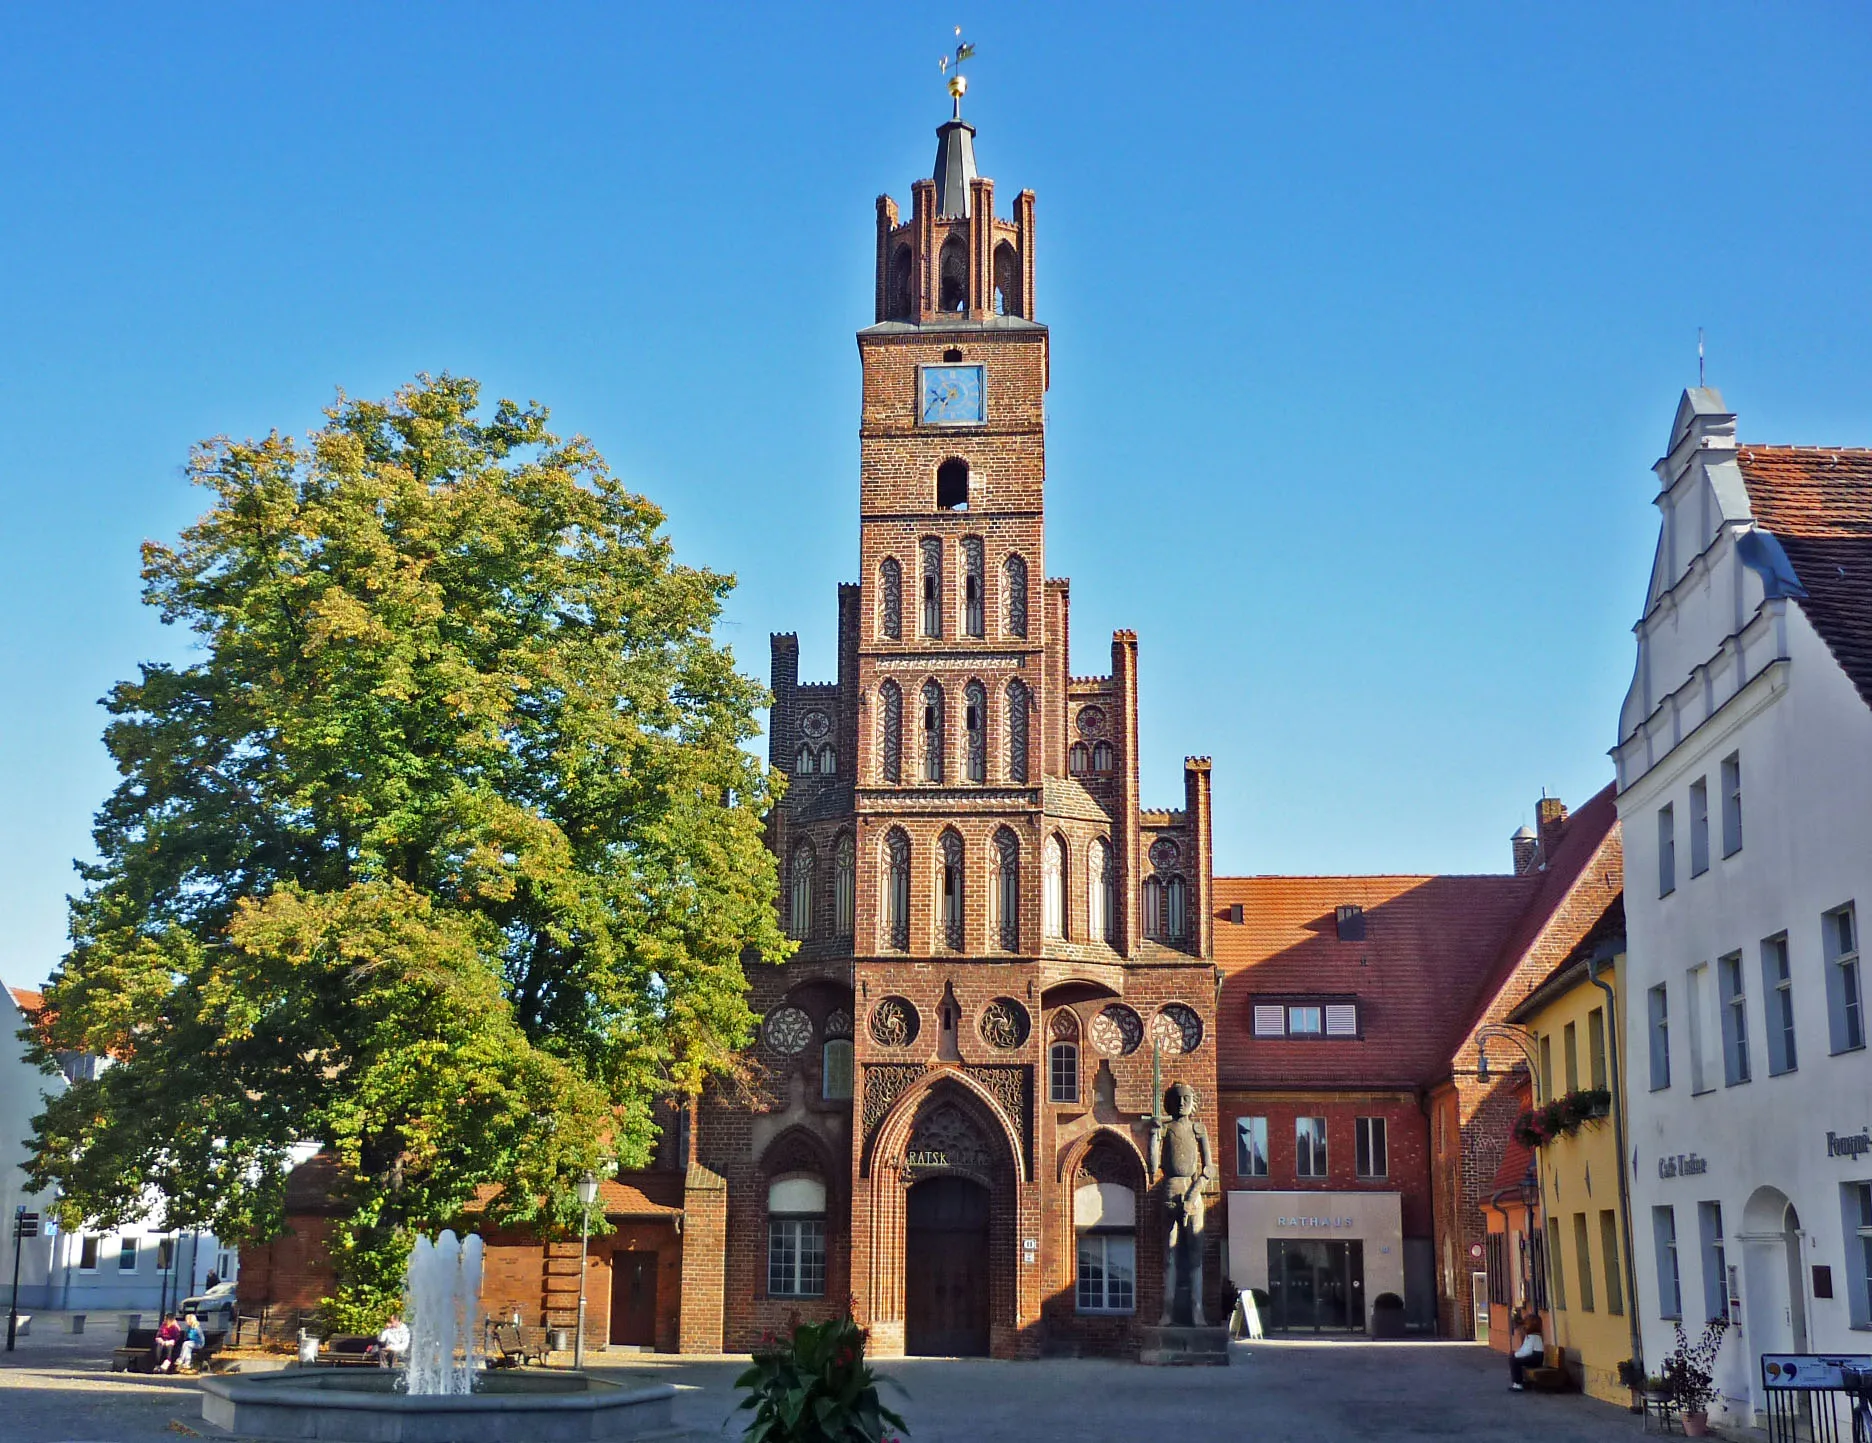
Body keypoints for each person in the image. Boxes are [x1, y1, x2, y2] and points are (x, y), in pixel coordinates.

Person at [1508, 1309, 1544, 1391]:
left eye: (1526, 1325)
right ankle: (1517, 1382)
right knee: (1514, 1359)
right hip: (1534, 1357)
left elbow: (1527, 1351)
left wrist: (1516, 1355)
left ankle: (1518, 1383)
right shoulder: (1531, 1336)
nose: (1524, 1327)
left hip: (1535, 1358)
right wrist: (1516, 1353)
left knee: (1515, 1361)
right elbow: (1524, 1348)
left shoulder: (1533, 1337)